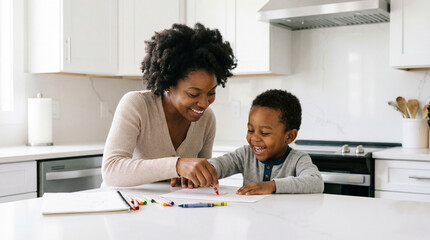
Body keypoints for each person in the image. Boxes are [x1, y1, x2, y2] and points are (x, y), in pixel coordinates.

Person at [102, 23, 236, 188]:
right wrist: (177, 165)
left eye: (211, 93)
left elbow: (201, 175)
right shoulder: (136, 105)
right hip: (128, 206)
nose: (204, 103)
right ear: (168, 85)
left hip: (172, 208)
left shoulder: (207, 119)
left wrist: (197, 177)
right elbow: (111, 171)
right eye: (193, 94)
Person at [209, 89, 324, 195]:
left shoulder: (298, 159)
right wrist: (208, 170)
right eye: (251, 130)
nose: (254, 138)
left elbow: (316, 182)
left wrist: (273, 186)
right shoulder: (245, 154)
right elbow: (221, 164)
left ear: (289, 136)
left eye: (264, 133)